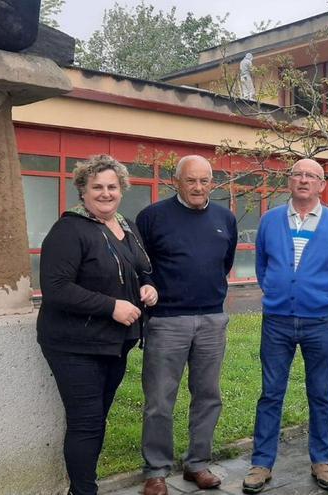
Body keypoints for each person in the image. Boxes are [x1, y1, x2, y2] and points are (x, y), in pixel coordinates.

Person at [37, 155, 157, 495]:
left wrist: (149, 287)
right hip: (75, 344)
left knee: (96, 419)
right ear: (83, 191)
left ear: (122, 190)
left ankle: (82, 486)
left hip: (114, 343)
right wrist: (111, 307)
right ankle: (83, 490)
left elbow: (141, 269)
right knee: (86, 422)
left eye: (112, 187)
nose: (106, 193)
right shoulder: (68, 230)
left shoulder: (126, 225)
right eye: (97, 187)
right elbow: (56, 288)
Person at [241, 158, 328, 494]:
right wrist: (278, 290)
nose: (304, 180)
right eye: (298, 174)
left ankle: (321, 459)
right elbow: (263, 264)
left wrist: (327, 297)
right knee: (270, 393)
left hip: (320, 321)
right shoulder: (270, 220)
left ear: (322, 184)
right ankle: (261, 463)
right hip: (277, 321)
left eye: (311, 175)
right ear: (289, 181)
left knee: (320, 393)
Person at [136, 155, 238, 495]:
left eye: (204, 181)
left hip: (212, 318)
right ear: (176, 181)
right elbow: (142, 266)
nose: (198, 187)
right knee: (159, 400)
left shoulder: (225, 218)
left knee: (208, 395)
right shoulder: (152, 218)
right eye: (191, 180)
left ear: (213, 182)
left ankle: (197, 463)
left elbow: (224, 263)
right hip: (167, 321)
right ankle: (156, 470)